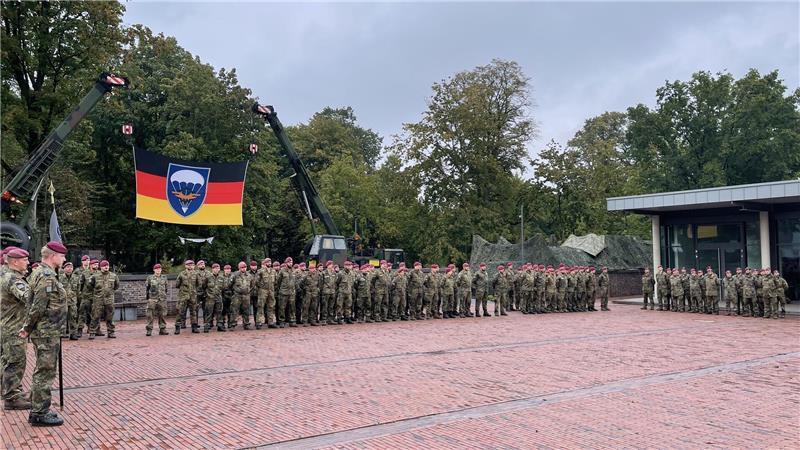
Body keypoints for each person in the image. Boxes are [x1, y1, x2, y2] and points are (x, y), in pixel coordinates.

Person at [20, 241, 68, 426]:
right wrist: (27, 328)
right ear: (52, 255)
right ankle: (40, 413)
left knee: (44, 370)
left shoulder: (41, 273)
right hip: (46, 332)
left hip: (48, 331)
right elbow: (38, 306)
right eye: (62, 256)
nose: (64, 259)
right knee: (44, 372)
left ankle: (38, 410)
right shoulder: (46, 276)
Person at [1, 248, 32, 411]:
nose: (27, 262)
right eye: (24, 260)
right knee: (16, 361)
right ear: (14, 262)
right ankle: (12, 398)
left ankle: (12, 392)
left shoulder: (3, 274)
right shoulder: (13, 279)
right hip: (14, 328)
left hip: (6, 326)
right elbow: (28, 297)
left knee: (6, 360)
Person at [88, 260, 119, 339]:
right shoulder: (95, 276)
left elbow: (116, 286)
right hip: (98, 300)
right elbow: (90, 286)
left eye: (107, 265)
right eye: (104, 266)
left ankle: (111, 332)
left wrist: (109, 293)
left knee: (110, 317)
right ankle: (92, 332)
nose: (106, 267)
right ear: (100, 267)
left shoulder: (113, 276)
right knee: (95, 316)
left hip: (109, 300)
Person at [174, 260, 199, 334]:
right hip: (183, 297)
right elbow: (177, 285)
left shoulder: (196, 274)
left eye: (191, 265)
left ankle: (194, 327)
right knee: (180, 312)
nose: (190, 266)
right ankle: (177, 327)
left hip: (193, 296)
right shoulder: (181, 274)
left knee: (193, 312)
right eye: (188, 265)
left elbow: (198, 284)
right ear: (185, 266)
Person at [145, 263, 169, 336]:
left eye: (159, 269)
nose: (158, 270)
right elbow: (147, 288)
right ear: (154, 270)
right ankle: (149, 330)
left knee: (162, 315)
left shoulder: (164, 278)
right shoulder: (150, 278)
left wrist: (163, 296)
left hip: (162, 299)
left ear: (161, 270)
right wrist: (148, 298)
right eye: (156, 269)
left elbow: (166, 288)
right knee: (150, 315)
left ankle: (162, 329)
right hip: (152, 299)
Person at [59, 262, 80, 340]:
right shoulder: (60, 278)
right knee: (62, 317)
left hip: (72, 301)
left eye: (71, 267)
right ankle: (62, 333)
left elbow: (78, 289)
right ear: (64, 268)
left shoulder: (76, 278)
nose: (69, 269)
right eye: (67, 267)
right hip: (62, 301)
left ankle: (73, 333)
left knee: (73, 317)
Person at [204, 263, 225, 332]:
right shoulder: (208, 277)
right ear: (212, 269)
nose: (217, 270)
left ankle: (219, 325)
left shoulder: (221, 277)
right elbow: (203, 286)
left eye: (218, 268)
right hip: (210, 298)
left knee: (219, 312)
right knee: (209, 312)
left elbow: (223, 287)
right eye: (215, 268)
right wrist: (206, 295)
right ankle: (207, 326)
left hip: (218, 297)